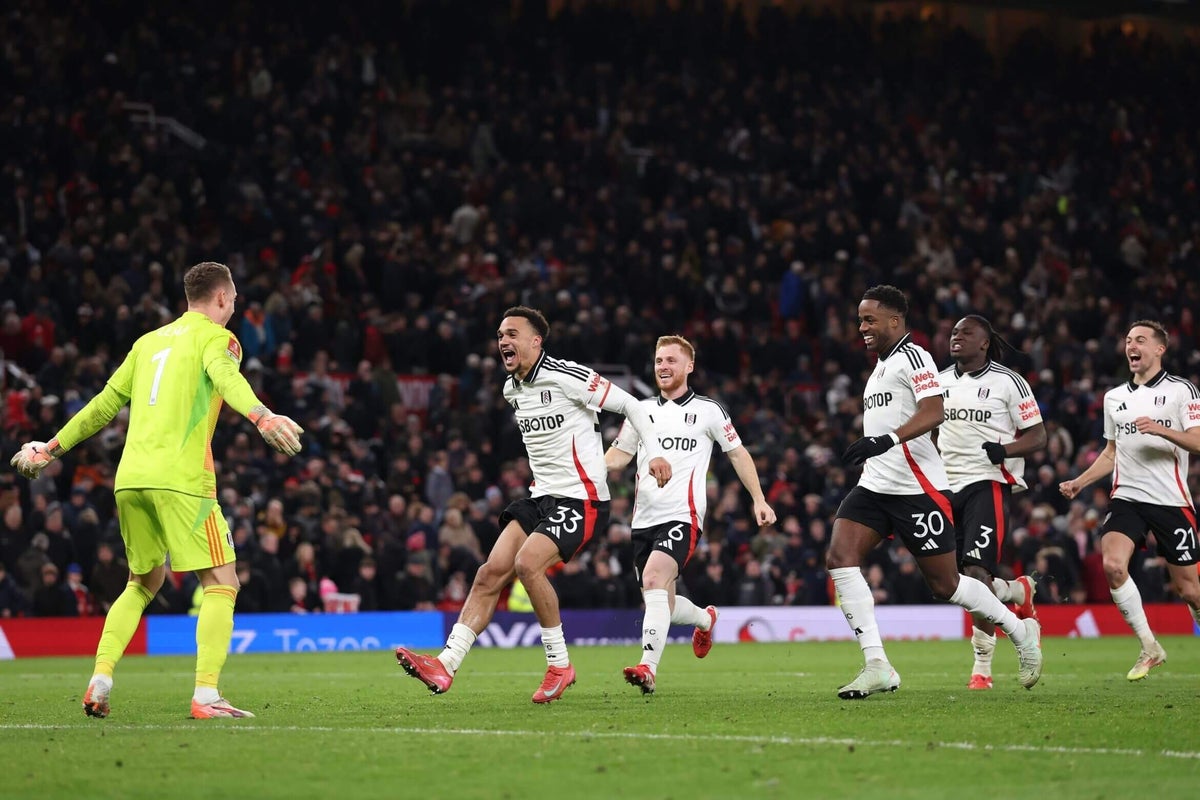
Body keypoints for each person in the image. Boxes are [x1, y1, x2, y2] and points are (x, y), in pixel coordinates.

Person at [9, 261, 304, 719]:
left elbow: (103, 405)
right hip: (182, 481)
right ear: (223, 298)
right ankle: (207, 696)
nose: (236, 303)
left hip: (130, 480)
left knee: (143, 582)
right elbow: (227, 378)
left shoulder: (147, 343)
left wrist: (51, 448)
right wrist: (262, 415)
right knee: (223, 582)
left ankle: (100, 679)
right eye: (235, 296)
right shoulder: (218, 339)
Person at [394, 306, 672, 703]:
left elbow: (633, 406)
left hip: (582, 498)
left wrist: (657, 452)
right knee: (489, 573)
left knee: (526, 564)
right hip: (541, 496)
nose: (503, 341)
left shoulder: (567, 375)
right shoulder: (512, 389)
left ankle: (560, 665)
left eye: (512, 334)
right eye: (499, 335)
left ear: (535, 341)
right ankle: (446, 663)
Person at [828, 285, 1042, 699]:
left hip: (916, 488)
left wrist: (886, 440)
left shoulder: (915, 357)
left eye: (870, 319)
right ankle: (878, 664)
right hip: (875, 483)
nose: (862, 327)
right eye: (860, 320)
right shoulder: (880, 367)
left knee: (948, 586)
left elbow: (934, 411)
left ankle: (1020, 632)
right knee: (839, 557)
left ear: (895, 320)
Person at [604, 335, 776, 694]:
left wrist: (758, 499)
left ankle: (648, 668)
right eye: (658, 361)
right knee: (660, 600)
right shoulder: (640, 410)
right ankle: (704, 618)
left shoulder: (709, 411)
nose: (663, 367)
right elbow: (619, 456)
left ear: (688, 366)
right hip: (643, 520)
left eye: (670, 360)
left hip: (683, 515)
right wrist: (582, 473)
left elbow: (739, 454)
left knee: (653, 579)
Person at [1059, 320, 1200, 680]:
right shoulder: (1113, 397)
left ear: (1159, 349)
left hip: (1171, 501)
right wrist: (1080, 481)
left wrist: (1161, 429)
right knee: (1113, 565)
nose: (1131, 346)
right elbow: (1111, 452)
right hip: (1127, 498)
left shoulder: (1182, 391)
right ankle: (1150, 646)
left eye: (1140, 340)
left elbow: (1198, 441)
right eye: (1127, 340)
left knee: (1190, 591)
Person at [938, 315, 1046, 690]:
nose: (957, 337)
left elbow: (1038, 436)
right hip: (943, 486)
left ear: (984, 342)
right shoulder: (939, 382)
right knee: (951, 581)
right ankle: (1016, 591)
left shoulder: (1008, 382)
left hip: (988, 483)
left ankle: (982, 668)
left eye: (966, 333)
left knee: (976, 574)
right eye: (954, 332)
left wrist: (1005, 450)